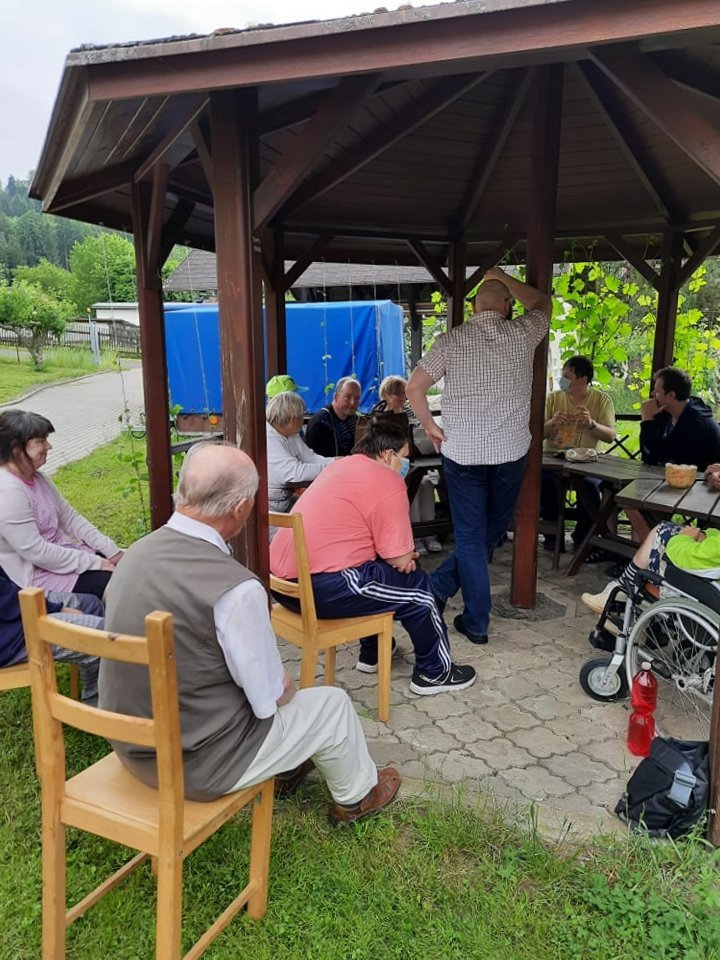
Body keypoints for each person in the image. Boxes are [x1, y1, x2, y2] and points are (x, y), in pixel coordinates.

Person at [99, 442, 400, 825]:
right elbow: (267, 700)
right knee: (331, 704)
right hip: (199, 764)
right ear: (241, 508)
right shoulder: (235, 589)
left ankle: (289, 765)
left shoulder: (136, 554)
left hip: (134, 748)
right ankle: (357, 798)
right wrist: (281, 685)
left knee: (264, 692)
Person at [270, 418, 476, 694]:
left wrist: (397, 555)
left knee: (375, 570)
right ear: (389, 455)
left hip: (283, 587)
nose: (406, 465)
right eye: (404, 457)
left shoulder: (341, 466)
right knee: (418, 589)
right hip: (321, 587)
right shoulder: (387, 478)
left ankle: (373, 653)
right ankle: (435, 673)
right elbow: (400, 559)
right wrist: (404, 556)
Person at [406, 266, 552, 645]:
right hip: (510, 453)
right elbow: (543, 302)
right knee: (491, 529)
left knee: (473, 536)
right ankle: (469, 615)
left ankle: (451, 598)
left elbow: (414, 387)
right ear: (506, 306)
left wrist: (430, 427)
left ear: (473, 307)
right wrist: (504, 276)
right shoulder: (523, 332)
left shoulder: (450, 341)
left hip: (462, 453)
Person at [0, 409, 124, 598]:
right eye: (41, 441)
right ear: (16, 449)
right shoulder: (7, 491)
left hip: (65, 558)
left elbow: (71, 518)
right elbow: (36, 552)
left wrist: (112, 551)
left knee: (129, 569)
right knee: (120, 586)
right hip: (38, 578)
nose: (49, 446)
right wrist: (96, 563)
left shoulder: (38, 478)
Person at [541, 355, 616, 558]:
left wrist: (591, 424)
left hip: (586, 461)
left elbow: (610, 436)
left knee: (589, 487)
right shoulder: (553, 398)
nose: (562, 380)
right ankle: (552, 536)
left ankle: (582, 539)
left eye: (567, 376)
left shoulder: (601, 400)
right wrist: (552, 423)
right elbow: (537, 433)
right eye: (562, 375)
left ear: (583, 379)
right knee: (545, 483)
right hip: (553, 458)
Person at [1, 565, 103, 704]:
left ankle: (98, 698)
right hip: (10, 636)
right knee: (100, 636)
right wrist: (53, 608)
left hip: (15, 613)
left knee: (91, 606)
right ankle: (97, 707)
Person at [581, 519, 720, 616]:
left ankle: (621, 590)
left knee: (662, 531)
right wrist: (706, 535)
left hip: (704, 595)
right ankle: (623, 598)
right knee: (667, 532)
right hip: (710, 574)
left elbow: (691, 559)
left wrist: (683, 538)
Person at [372, 375, 441, 555]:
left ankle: (430, 534)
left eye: (404, 393)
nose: (403, 397)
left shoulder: (409, 413)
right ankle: (415, 536)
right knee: (412, 486)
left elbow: (420, 434)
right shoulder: (378, 417)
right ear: (387, 394)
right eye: (399, 394)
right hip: (392, 469)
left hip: (414, 461)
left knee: (426, 483)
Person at [639, 366, 720, 471]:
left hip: (702, 479)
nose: (652, 394)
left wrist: (647, 419)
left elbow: (656, 458)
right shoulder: (666, 413)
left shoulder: (695, 423)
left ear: (671, 395)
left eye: (657, 391)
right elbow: (648, 455)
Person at [266, 392, 333, 513]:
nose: (303, 421)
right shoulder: (269, 438)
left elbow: (310, 458)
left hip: (284, 501)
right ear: (293, 419)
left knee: (319, 508)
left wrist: (336, 462)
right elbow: (295, 472)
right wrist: (333, 467)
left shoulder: (290, 434)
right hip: (269, 510)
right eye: (302, 416)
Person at [305, 377, 361, 457]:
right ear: (336, 397)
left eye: (357, 398)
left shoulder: (353, 418)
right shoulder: (320, 423)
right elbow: (318, 460)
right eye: (348, 397)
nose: (353, 403)